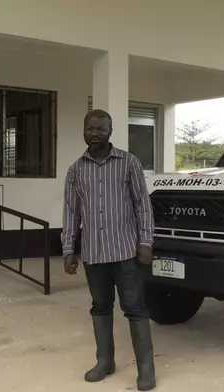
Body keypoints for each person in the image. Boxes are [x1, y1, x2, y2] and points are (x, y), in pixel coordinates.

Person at [61, 109, 156, 391]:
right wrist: (69, 249)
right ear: (83, 130)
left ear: (110, 132)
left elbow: (143, 205)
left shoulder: (129, 163)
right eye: (90, 128)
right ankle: (104, 362)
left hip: (126, 251)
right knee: (100, 306)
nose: (95, 133)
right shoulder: (76, 170)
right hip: (93, 253)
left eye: (101, 128)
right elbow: (70, 212)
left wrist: (146, 242)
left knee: (134, 307)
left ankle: (146, 370)